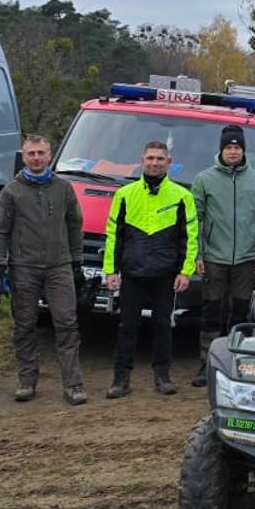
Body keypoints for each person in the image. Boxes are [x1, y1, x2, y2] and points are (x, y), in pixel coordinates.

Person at [0, 135, 87, 404]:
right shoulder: (11, 191)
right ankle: (27, 380)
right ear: (23, 156)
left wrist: (76, 261)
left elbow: (75, 224)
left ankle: (73, 383)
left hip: (59, 266)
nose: (36, 158)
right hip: (23, 267)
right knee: (25, 325)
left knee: (66, 323)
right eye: (31, 153)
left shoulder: (63, 188)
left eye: (41, 153)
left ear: (49, 154)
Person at [103, 141, 198, 399]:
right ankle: (120, 379)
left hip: (165, 274)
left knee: (162, 326)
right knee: (127, 327)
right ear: (142, 161)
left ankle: (163, 376)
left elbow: (189, 237)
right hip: (133, 273)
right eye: (150, 158)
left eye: (159, 158)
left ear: (169, 162)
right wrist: (111, 270)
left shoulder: (182, 196)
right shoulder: (125, 194)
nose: (154, 163)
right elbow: (113, 235)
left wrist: (185, 271)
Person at [191, 125, 255, 388]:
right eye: (229, 147)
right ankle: (207, 362)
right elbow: (196, 219)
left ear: (244, 150)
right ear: (221, 150)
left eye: (237, 147)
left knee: (240, 311)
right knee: (211, 311)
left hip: (246, 259)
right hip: (214, 257)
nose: (233, 151)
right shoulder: (204, 179)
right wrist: (198, 255)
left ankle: (238, 361)